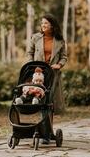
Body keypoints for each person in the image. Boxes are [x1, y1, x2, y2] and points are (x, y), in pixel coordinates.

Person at [26, 13, 67, 144]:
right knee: (38, 100)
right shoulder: (35, 37)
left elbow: (64, 57)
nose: (43, 25)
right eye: (42, 23)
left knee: (48, 104)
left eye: (46, 23)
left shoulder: (60, 40)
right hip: (38, 74)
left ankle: (47, 134)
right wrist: (31, 66)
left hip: (52, 75)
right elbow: (29, 53)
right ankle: (39, 130)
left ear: (52, 26)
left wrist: (59, 64)